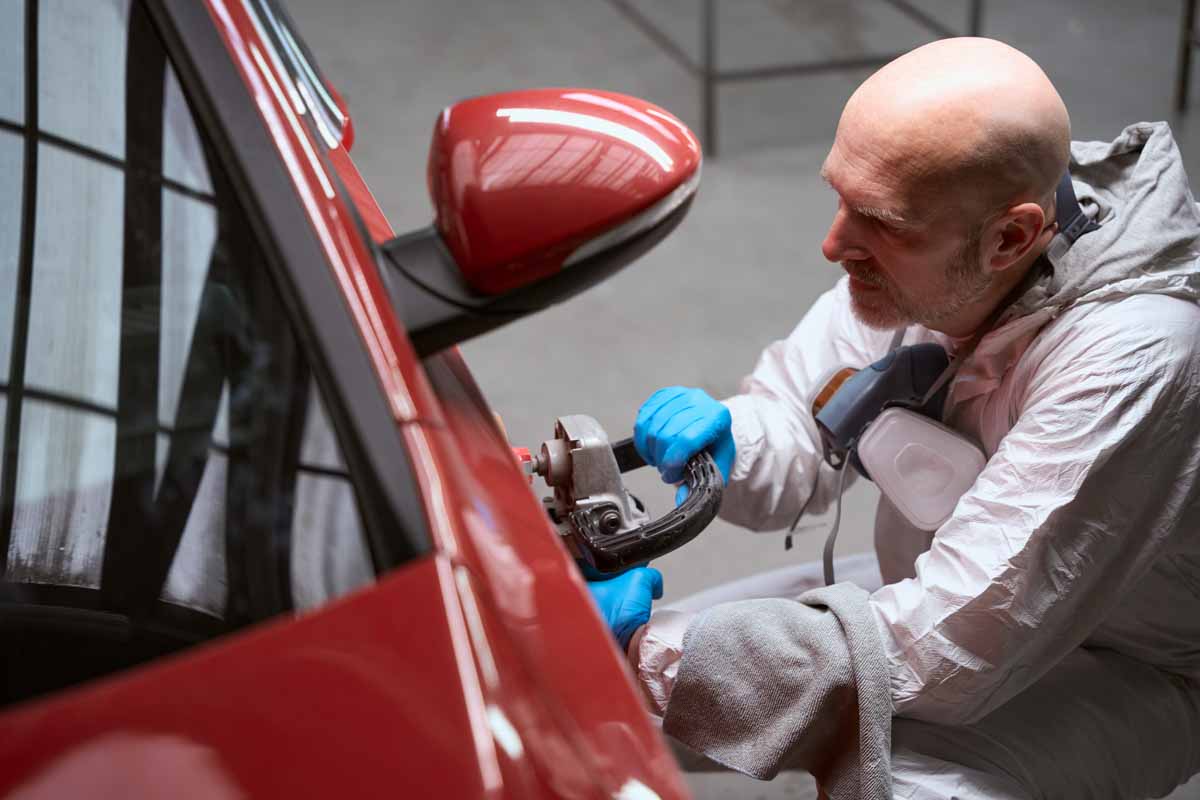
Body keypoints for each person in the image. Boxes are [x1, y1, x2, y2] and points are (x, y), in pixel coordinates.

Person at [585, 37, 1200, 799]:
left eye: (879, 220)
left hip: (1131, 658)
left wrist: (651, 649)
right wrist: (734, 442)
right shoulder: (936, 256)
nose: (834, 243)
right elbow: (802, 422)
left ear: (1011, 236)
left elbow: (949, 641)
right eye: (841, 197)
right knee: (593, 689)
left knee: (901, 788)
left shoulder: (1138, 358)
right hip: (937, 578)